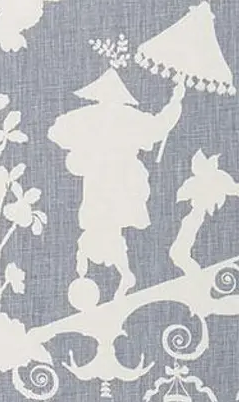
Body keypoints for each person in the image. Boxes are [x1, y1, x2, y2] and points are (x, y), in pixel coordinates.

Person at [48, 69, 185, 303]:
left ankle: (119, 275)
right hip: (107, 181)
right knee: (101, 224)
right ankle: (115, 275)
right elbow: (158, 126)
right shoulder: (111, 117)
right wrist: (175, 101)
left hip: (115, 182)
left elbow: (57, 131)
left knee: (103, 224)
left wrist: (176, 101)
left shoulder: (100, 117)